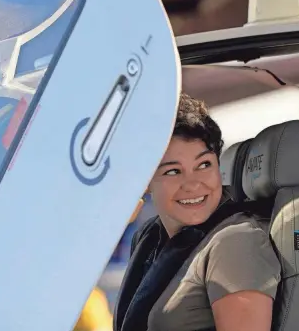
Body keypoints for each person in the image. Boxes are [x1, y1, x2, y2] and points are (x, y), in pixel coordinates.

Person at [114, 93, 281, 331]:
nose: (192, 184)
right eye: (173, 171)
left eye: (204, 165)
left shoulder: (234, 243)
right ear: (146, 180)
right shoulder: (150, 237)